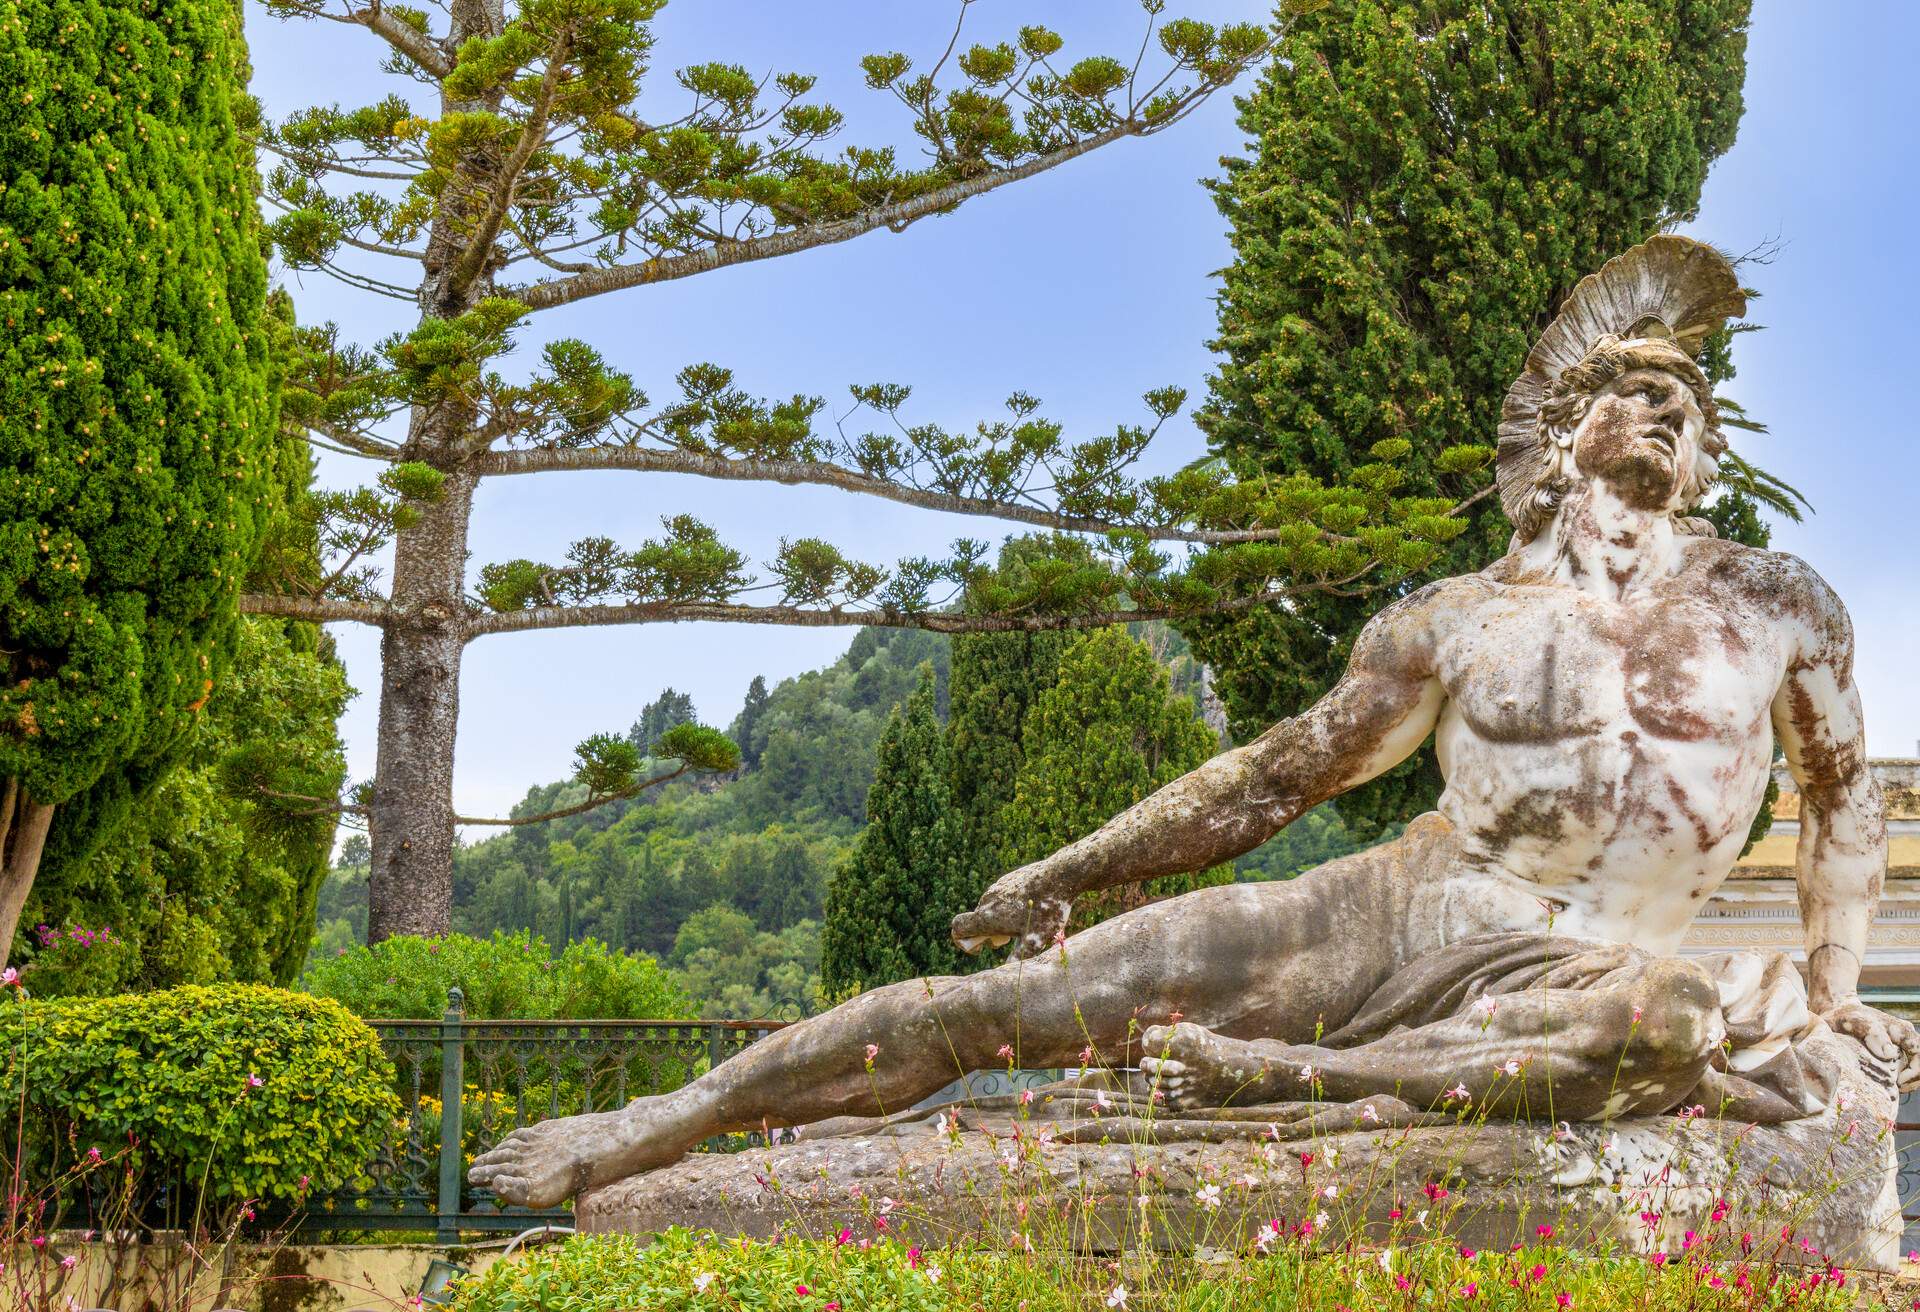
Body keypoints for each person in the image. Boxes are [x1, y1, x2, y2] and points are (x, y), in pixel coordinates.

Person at [471, 236, 1918, 1210]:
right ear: (1567, 426)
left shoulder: (1777, 604)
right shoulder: (1457, 616)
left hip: (1593, 968)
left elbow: (1846, 806)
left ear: (1713, 449)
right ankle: (649, 1127)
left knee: (1662, 1017)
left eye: (1691, 399)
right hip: (1404, 912)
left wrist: (1839, 981)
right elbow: (1273, 777)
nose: (1670, 408)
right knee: (1006, 1007)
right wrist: (1069, 872)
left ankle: (1286, 1085)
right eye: (1637, 386)